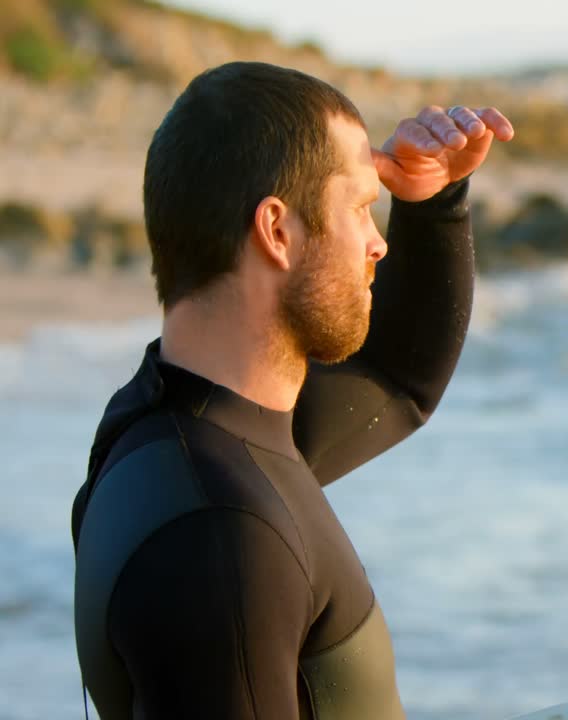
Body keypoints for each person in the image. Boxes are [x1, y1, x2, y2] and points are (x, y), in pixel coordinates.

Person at [69, 61, 514, 719]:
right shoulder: (220, 537)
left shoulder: (166, 429)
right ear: (278, 230)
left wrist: (431, 201)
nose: (377, 242)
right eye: (362, 207)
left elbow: (396, 385)